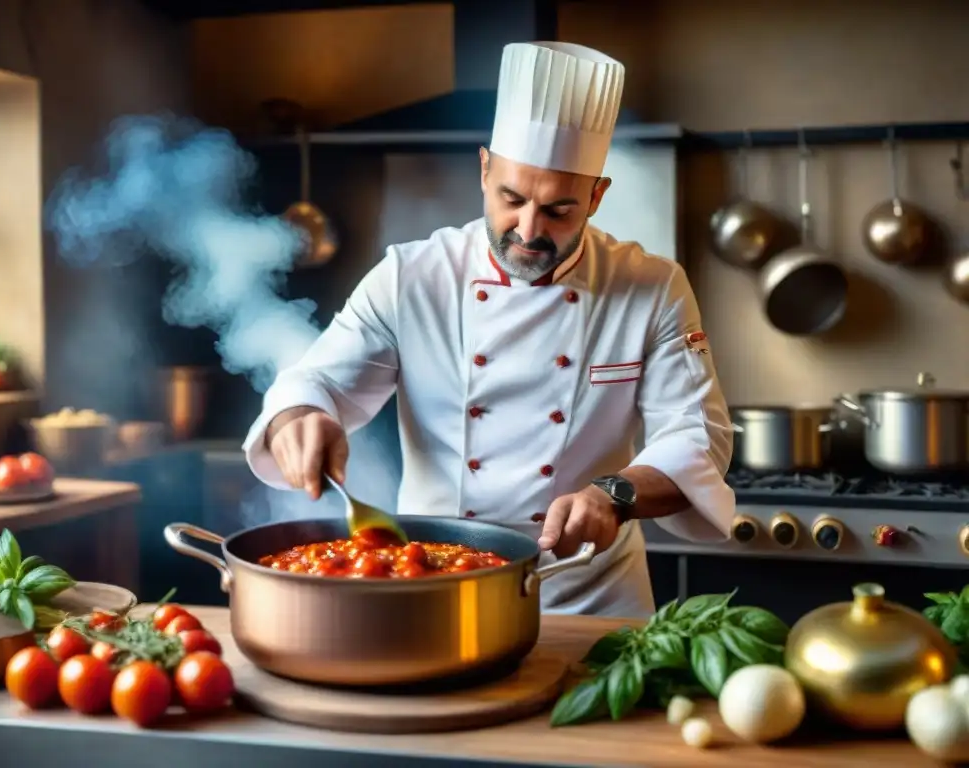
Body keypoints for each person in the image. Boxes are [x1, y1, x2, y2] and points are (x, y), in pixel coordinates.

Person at [243, 41, 735, 617]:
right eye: (512, 198)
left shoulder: (652, 287)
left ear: (597, 196)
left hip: (591, 594)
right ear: (484, 170)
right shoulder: (410, 277)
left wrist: (615, 494)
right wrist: (298, 418)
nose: (528, 229)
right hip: (436, 587)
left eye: (559, 210)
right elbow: (317, 382)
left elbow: (696, 437)